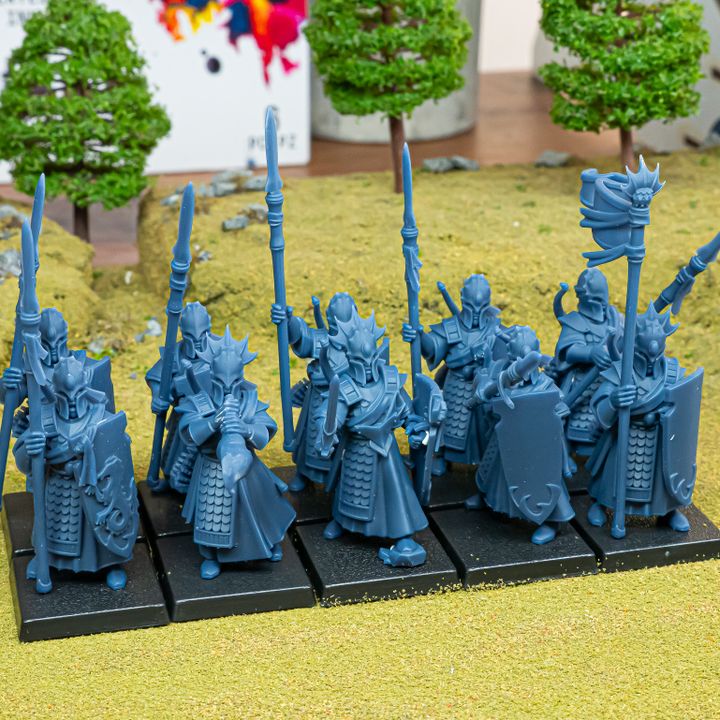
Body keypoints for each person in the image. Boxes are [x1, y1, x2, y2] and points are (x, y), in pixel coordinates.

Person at [176, 327, 295, 579]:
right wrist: (212, 423)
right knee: (212, 516)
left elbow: (266, 431)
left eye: (234, 383)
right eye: (221, 383)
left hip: (249, 469)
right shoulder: (199, 401)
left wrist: (246, 429)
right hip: (212, 467)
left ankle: (268, 543)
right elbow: (188, 433)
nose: (228, 390)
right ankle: (212, 555)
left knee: (263, 511)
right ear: (211, 375)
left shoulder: (249, 400)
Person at [316, 309, 430, 567]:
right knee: (351, 490)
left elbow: (406, 412)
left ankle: (402, 535)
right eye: (361, 361)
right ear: (349, 358)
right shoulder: (345, 387)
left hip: (386, 450)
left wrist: (416, 429)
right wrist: (327, 427)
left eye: (371, 359)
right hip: (357, 448)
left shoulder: (390, 380)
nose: (368, 367)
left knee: (394, 493)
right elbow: (330, 416)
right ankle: (342, 521)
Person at [13, 356, 138, 589]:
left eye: (78, 394)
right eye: (64, 396)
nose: (71, 402)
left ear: (86, 389)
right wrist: (30, 448)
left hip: (92, 490)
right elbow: (23, 461)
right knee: (54, 527)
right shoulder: (44, 420)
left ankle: (111, 562)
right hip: (57, 487)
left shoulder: (100, 419)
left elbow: (117, 454)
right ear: (54, 393)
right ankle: (46, 559)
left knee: (97, 534)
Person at [586, 304, 703, 532]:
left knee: (661, 480)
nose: (650, 361)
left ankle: (668, 510)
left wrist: (666, 415)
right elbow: (600, 410)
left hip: (658, 439)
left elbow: (682, 407)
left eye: (655, 355)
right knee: (610, 478)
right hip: (623, 436)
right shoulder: (620, 372)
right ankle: (600, 504)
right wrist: (614, 401)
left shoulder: (672, 373)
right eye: (644, 355)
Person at [468, 326, 575, 544]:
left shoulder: (544, 385)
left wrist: (555, 412)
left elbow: (558, 407)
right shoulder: (499, 372)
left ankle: (552, 520)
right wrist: (484, 387)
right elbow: (484, 387)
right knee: (494, 471)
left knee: (542, 477)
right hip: (505, 439)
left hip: (535, 448)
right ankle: (486, 497)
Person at [401, 274, 507, 471]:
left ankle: (487, 461)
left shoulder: (495, 329)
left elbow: (505, 355)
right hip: (456, 385)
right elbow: (433, 347)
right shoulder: (452, 327)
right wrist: (419, 335)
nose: (476, 313)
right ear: (463, 301)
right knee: (447, 420)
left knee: (485, 427)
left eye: (481, 307)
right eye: (471, 307)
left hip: (484, 386)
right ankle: (440, 455)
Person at [270, 292, 357, 491]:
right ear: (329, 318)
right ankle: (303, 473)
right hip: (316, 399)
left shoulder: (358, 341)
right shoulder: (322, 339)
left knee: (339, 443)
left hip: (344, 401)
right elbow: (302, 336)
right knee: (308, 439)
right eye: (335, 322)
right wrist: (288, 321)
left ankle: (338, 478)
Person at [145, 301, 216, 492]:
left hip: (212, 414)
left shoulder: (220, 348)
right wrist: (158, 396)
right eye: (191, 337)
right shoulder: (175, 353)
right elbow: (156, 377)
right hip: (184, 413)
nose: (198, 342)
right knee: (175, 450)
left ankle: (197, 488)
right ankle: (170, 480)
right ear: (183, 333)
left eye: (203, 334)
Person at [552, 268, 622, 455]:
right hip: (582, 384)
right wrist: (591, 352)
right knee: (571, 425)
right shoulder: (576, 321)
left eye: (598, 300)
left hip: (611, 382)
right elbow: (568, 351)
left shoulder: (616, 320)